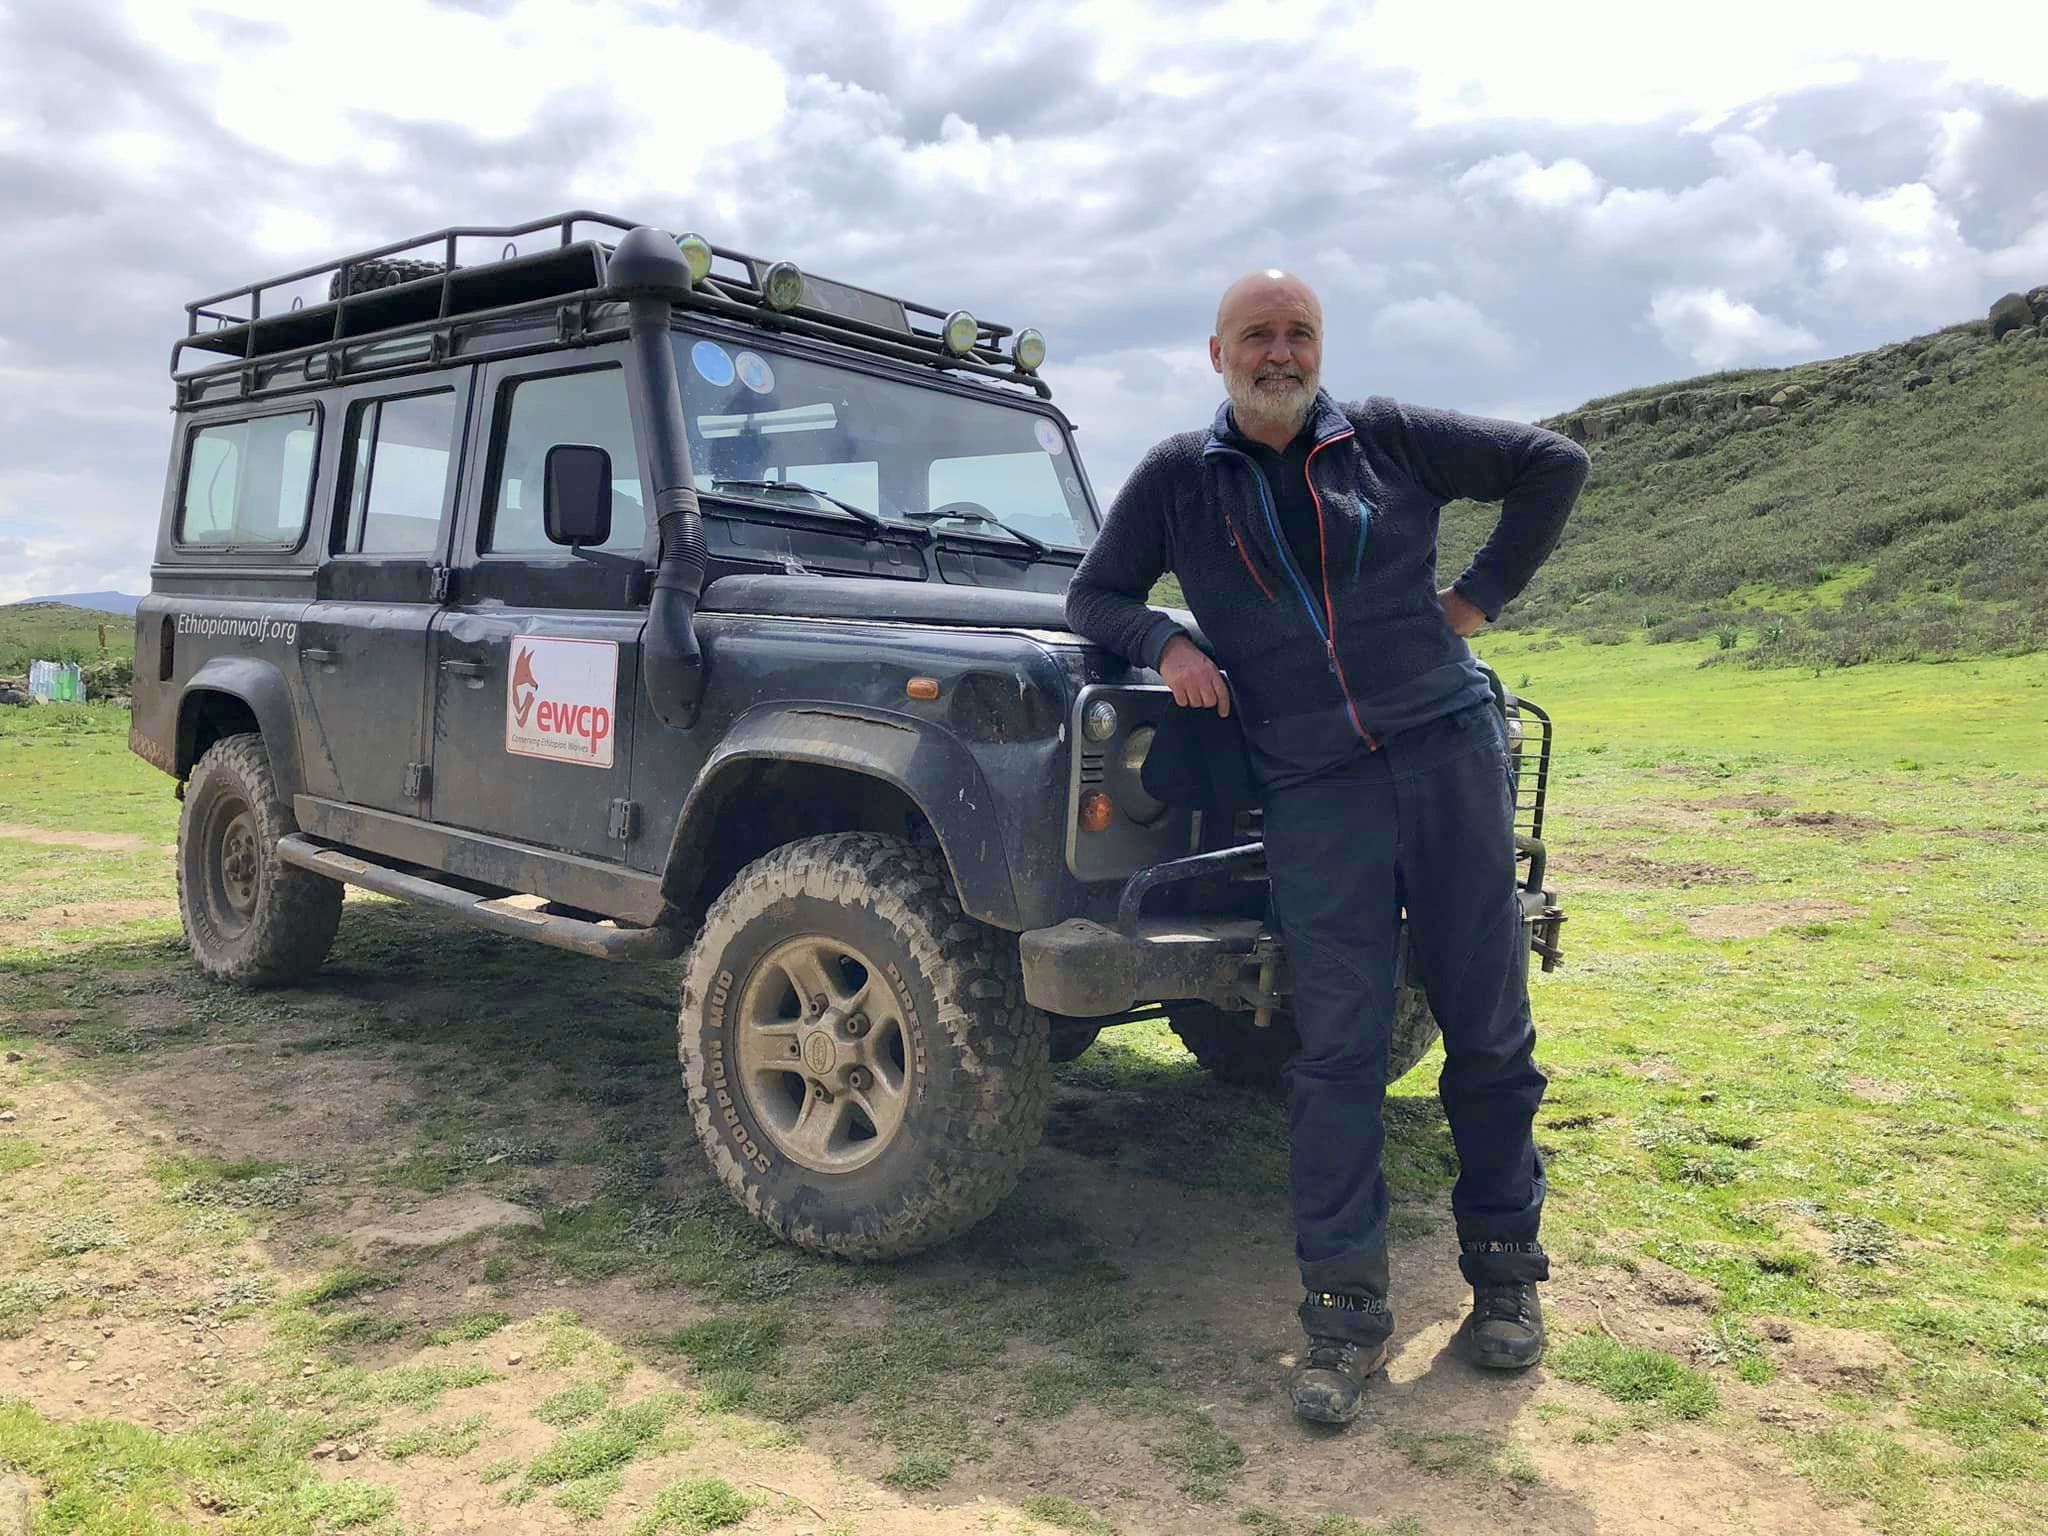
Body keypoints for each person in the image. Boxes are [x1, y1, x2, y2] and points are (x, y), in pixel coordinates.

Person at [1065, 270, 1589, 1426]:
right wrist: (1165, 641)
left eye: (1298, 333)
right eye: (1257, 335)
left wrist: (1478, 598)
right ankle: (1341, 1318)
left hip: (1449, 758)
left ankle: (1505, 1281)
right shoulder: (1176, 479)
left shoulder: (1387, 440)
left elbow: (1553, 461)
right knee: (1335, 1050)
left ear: (1319, 347)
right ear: (1216, 354)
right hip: (1314, 788)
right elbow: (1091, 595)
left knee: (1488, 1029)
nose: (1279, 352)